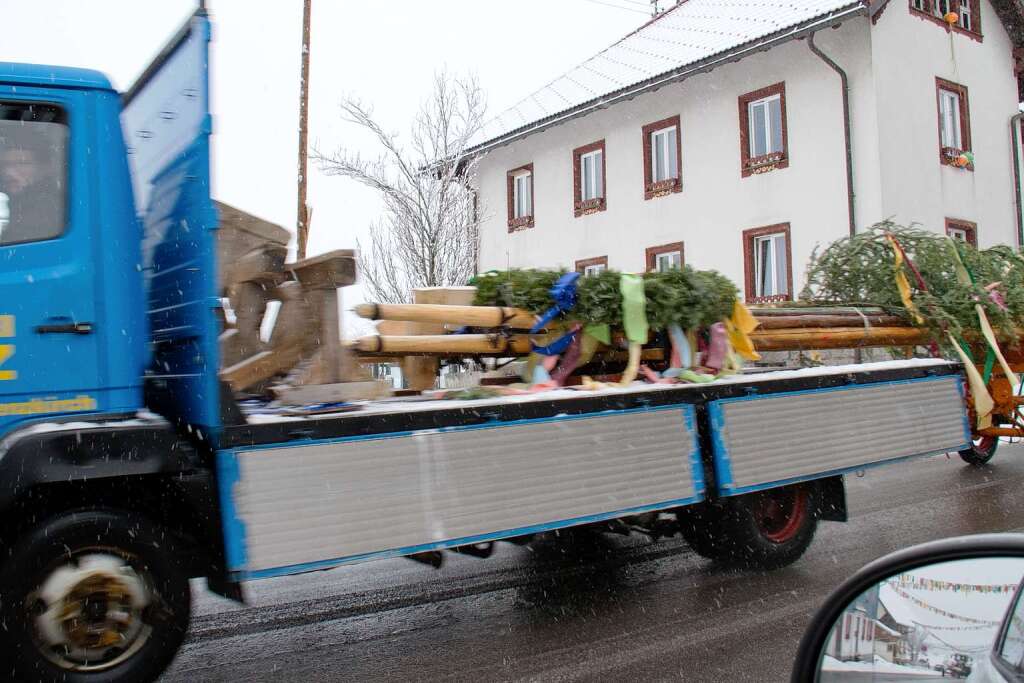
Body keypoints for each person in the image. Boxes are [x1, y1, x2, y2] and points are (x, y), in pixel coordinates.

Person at [0, 141, 64, 245]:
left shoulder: (51, 205)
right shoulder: (10, 198)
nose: (8, 172)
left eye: (22, 163)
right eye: (5, 164)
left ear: (45, 168)